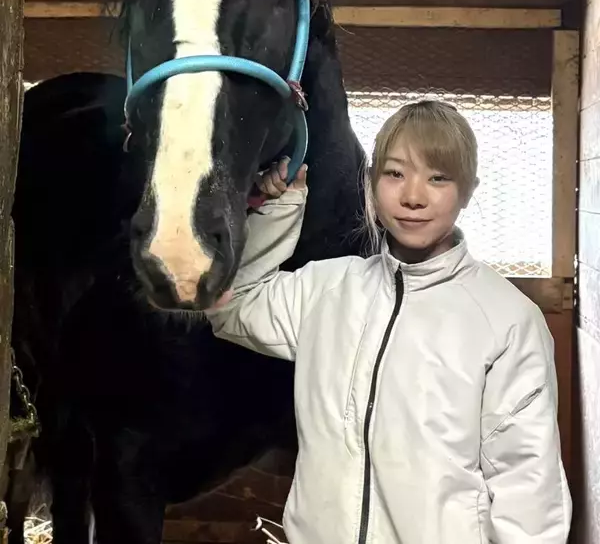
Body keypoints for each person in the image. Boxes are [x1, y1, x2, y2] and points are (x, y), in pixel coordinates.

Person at [205, 100, 572, 544]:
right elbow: (232, 305)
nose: (413, 196)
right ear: (372, 182)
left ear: (469, 191)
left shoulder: (508, 320)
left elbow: (529, 489)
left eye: (438, 177)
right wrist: (278, 208)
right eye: (395, 173)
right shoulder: (327, 289)